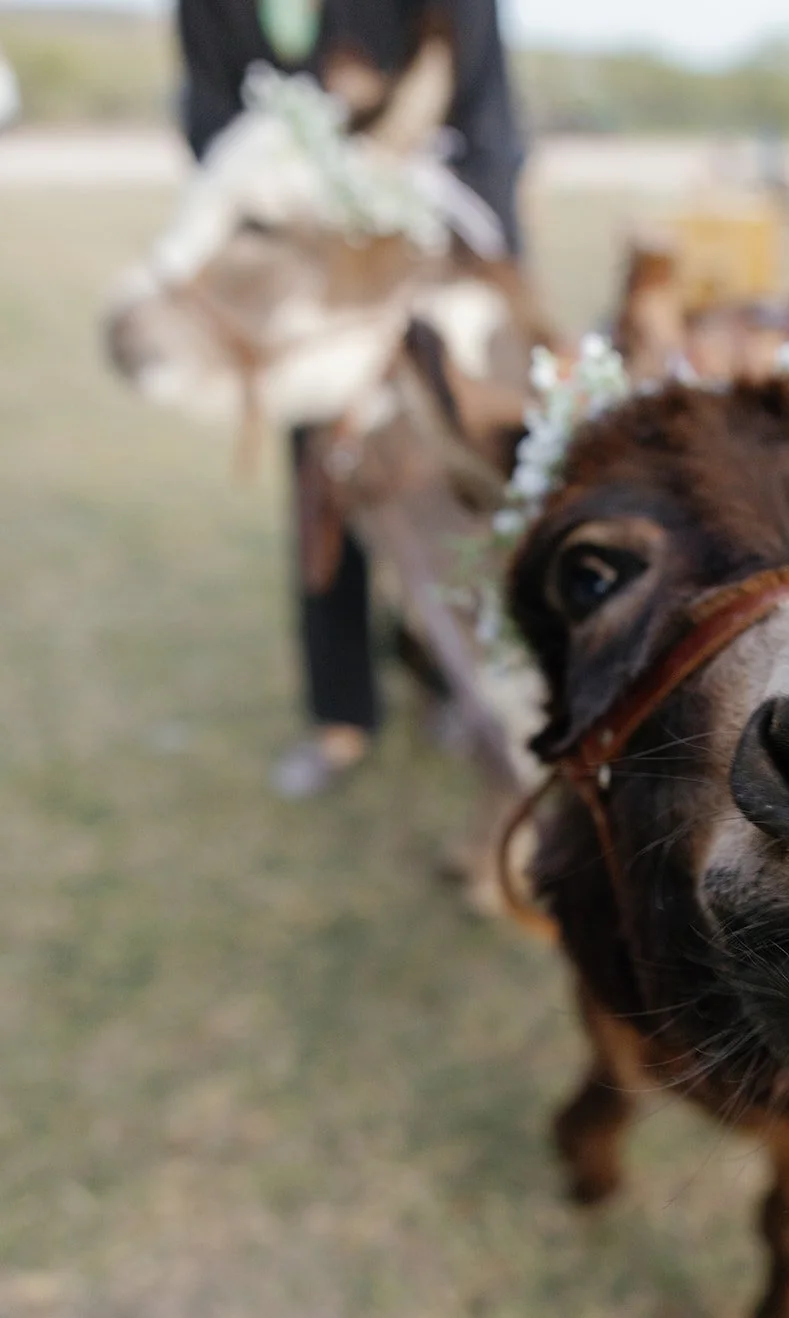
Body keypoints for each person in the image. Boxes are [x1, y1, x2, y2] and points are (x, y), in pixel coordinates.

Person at [176, 0, 524, 796]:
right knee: (322, 482)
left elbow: (491, 122)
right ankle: (339, 713)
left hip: (436, 247)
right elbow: (208, 116)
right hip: (312, 273)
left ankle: (445, 673)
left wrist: (482, 255)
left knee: (451, 480)